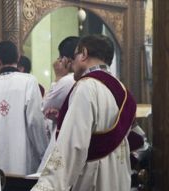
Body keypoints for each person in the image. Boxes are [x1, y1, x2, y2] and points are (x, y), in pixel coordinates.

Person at [32, 35, 137, 191]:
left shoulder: (87, 87)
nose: (72, 63)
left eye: (74, 56)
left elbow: (73, 144)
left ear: (84, 54)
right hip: (118, 177)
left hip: (94, 177)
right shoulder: (123, 90)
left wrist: (47, 186)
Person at [0, 41, 48, 177]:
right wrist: (43, 153)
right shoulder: (29, 81)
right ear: (18, 58)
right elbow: (35, 122)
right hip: (22, 159)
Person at [43, 36, 79, 122]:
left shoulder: (67, 80)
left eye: (60, 57)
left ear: (65, 59)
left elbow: (44, 106)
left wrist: (58, 77)